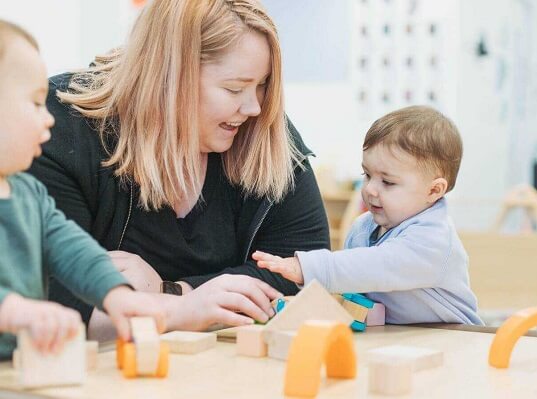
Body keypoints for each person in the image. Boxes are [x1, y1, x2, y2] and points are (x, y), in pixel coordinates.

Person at [28, 0, 329, 340]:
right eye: (234, 88)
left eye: (262, 84)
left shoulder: (264, 133)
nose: (254, 107)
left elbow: (305, 269)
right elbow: (50, 301)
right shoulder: (59, 126)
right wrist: (182, 311)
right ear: (168, 76)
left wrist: (173, 293)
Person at [0, 20, 167, 359]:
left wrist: (116, 294)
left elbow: (73, 251)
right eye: (34, 103)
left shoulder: (29, 194)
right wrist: (14, 310)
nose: (49, 117)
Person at [254, 106, 483, 325]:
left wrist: (306, 267)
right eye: (367, 175)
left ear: (433, 190)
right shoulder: (362, 229)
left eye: (388, 182)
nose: (370, 189)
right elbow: (354, 290)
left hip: (456, 337)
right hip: (397, 336)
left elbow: (377, 266)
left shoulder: (435, 241)